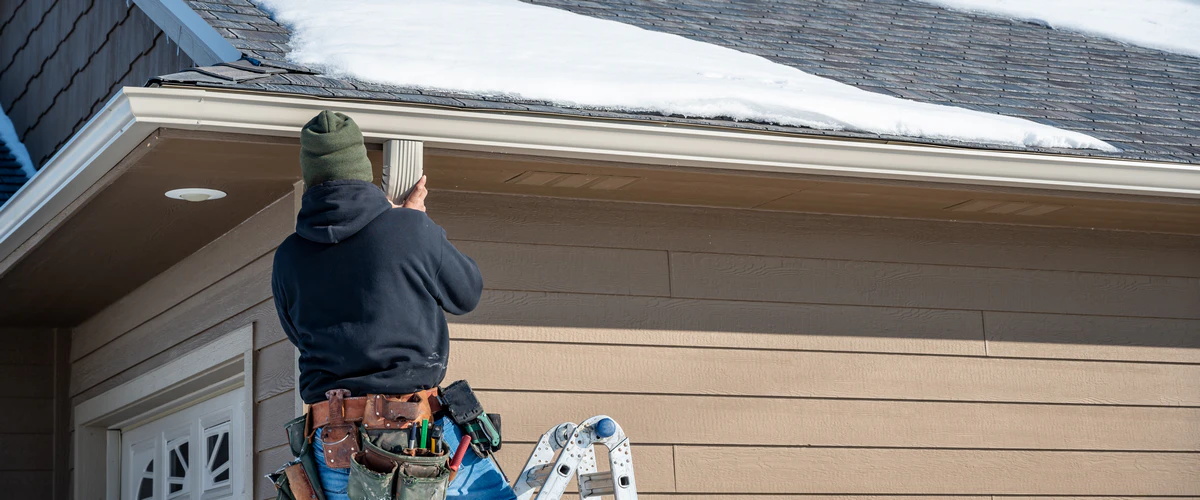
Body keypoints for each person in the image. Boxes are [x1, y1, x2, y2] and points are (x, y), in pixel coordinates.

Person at [271, 110, 516, 500]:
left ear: (311, 178)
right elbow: (467, 292)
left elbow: (297, 334)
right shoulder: (409, 229)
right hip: (412, 437)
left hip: (332, 441)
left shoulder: (287, 257)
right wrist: (416, 228)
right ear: (361, 170)